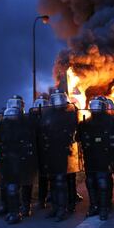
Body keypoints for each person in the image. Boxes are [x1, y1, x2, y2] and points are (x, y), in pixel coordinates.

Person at [0, 96, 37, 224]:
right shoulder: (27, 122)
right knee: (22, 183)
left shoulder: (3, 124)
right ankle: (23, 209)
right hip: (20, 159)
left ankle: (16, 212)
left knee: (13, 186)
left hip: (10, 160)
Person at [35, 90, 79, 221]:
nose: (58, 101)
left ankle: (62, 210)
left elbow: (72, 130)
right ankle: (55, 208)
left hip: (62, 152)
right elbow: (42, 130)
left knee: (60, 181)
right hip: (49, 152)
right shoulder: (47, 114)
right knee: (53, 181)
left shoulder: (70, 114)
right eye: (55, 98)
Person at [77, 96, 114, 220]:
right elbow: (78, 138)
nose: (95, 108)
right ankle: (94, 206)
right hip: (90, 156)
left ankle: (104, 207)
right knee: (91, 182)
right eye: (94, 105)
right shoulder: (85, 123)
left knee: (103, 182)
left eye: (98, 105)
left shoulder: (112, 121)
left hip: (104, 157)